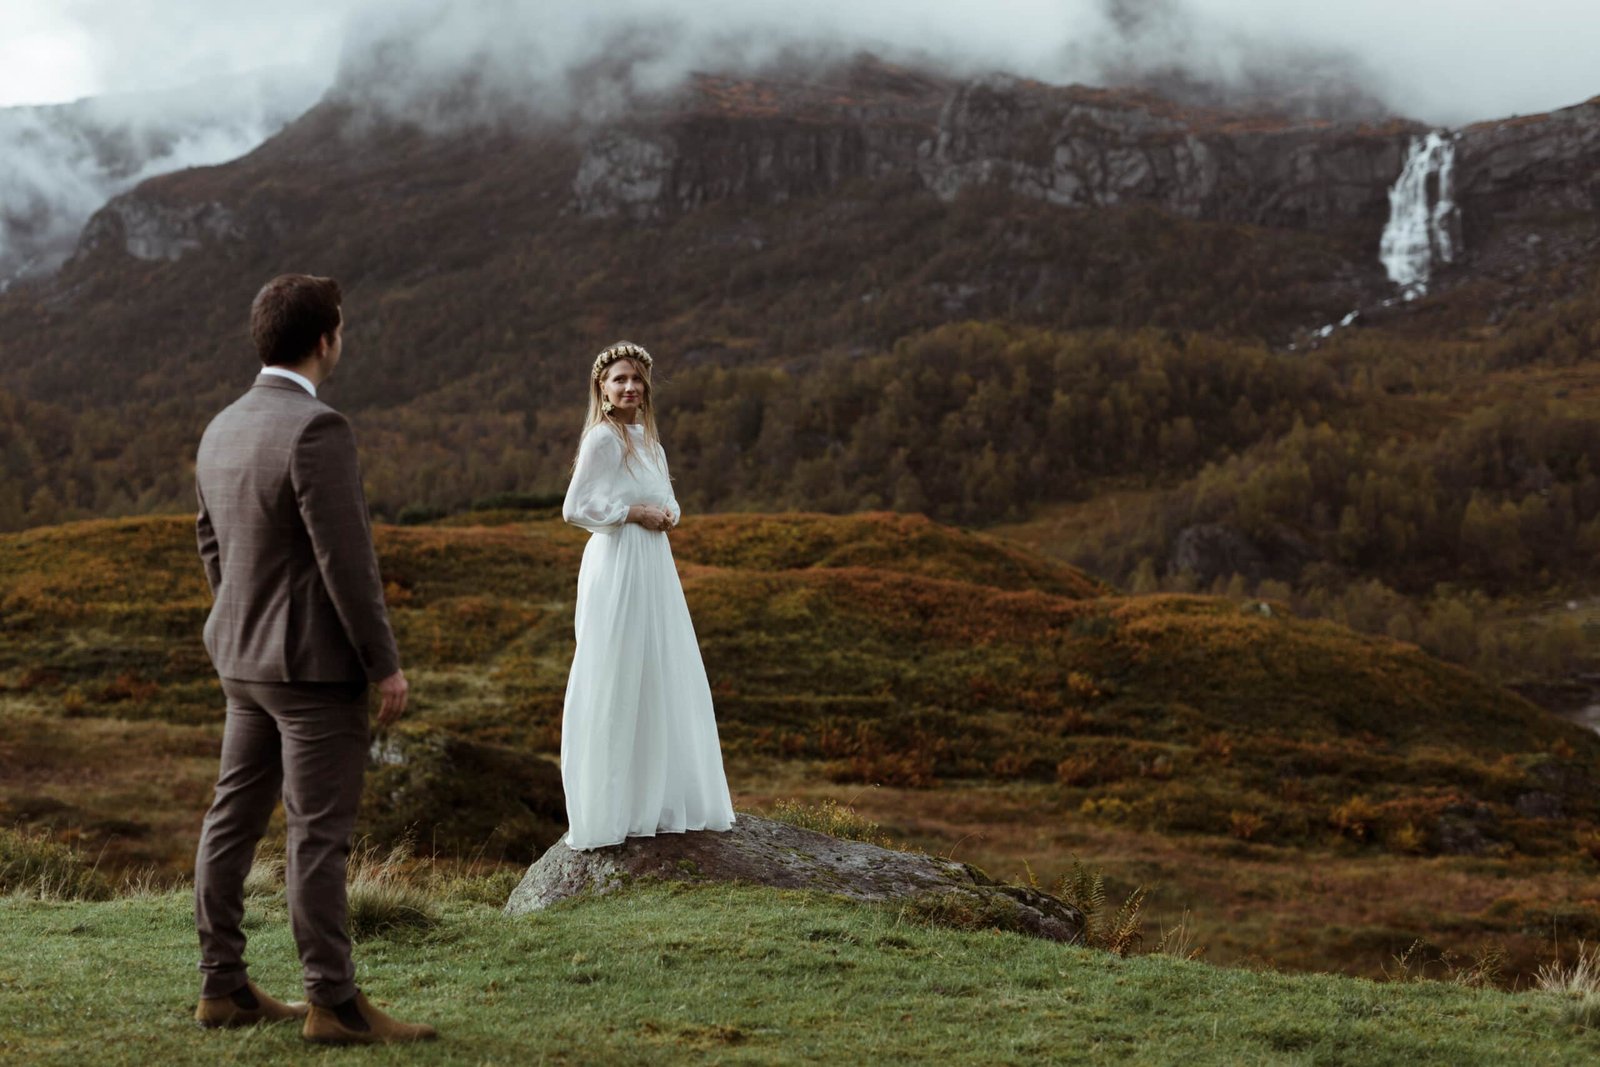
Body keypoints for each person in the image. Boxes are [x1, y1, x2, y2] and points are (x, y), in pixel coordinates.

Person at [191, 274, 436, 1045]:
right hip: (314, 673)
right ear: (326, 337)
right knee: (317, 836)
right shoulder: (318, 428)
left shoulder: (222, 425)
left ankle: (222, 985)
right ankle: (333, 1002)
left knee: (230, 818)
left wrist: (241, 617)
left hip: (243, 662)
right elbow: (346, 560)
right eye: (343, 327)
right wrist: (382, 662)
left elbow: (211, 543)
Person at [560, 340, 737, 850]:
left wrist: (665, 513)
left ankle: (656, 800)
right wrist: (632, 513)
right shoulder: (602, 439)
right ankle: (612, 807)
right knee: (618, 669)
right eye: (620, 379)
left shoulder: (652, 444)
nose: (630, 387)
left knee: (659, 669)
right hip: (618, 565)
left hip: (655, 567)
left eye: (637, 379)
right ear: (602, 387)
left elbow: (669, 501)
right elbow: (575, 508)